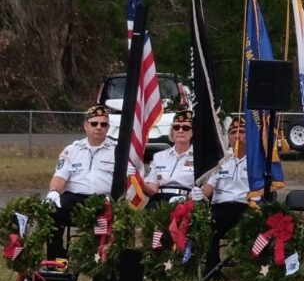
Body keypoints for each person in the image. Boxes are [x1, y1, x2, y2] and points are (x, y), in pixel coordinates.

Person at [45, 105, 132, 259]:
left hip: (104, 200)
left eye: (103, 124)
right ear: (85, 126)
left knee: (110, 217)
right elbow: (59, 177)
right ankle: (56, 258)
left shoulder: (118, 150)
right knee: (51, 211)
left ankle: (100, 258)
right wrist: (53, 192)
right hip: (75, 199)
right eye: (94, 123)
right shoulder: (72, 150)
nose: (99, 127)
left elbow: (129, 180)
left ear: (108, 128)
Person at [194, 118, 250, 278]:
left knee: (249, 227)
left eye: (242, 132)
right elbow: (208, 190)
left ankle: (247, 270)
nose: (237, 136)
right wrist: (198, 193)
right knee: (208, 226)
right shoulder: (220, 162)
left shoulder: (256, 161)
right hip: (221, 207)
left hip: (245, 207)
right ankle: (212, 271)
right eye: (233, 133)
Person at [144, 110, 195, 206]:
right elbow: (152, 189)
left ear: (193, 131)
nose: (180, 131)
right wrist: (136, 178)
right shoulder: (159, 156)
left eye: (185, 128)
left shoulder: (198, 158)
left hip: (184, 201)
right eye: (176, 127)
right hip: (159, 201)